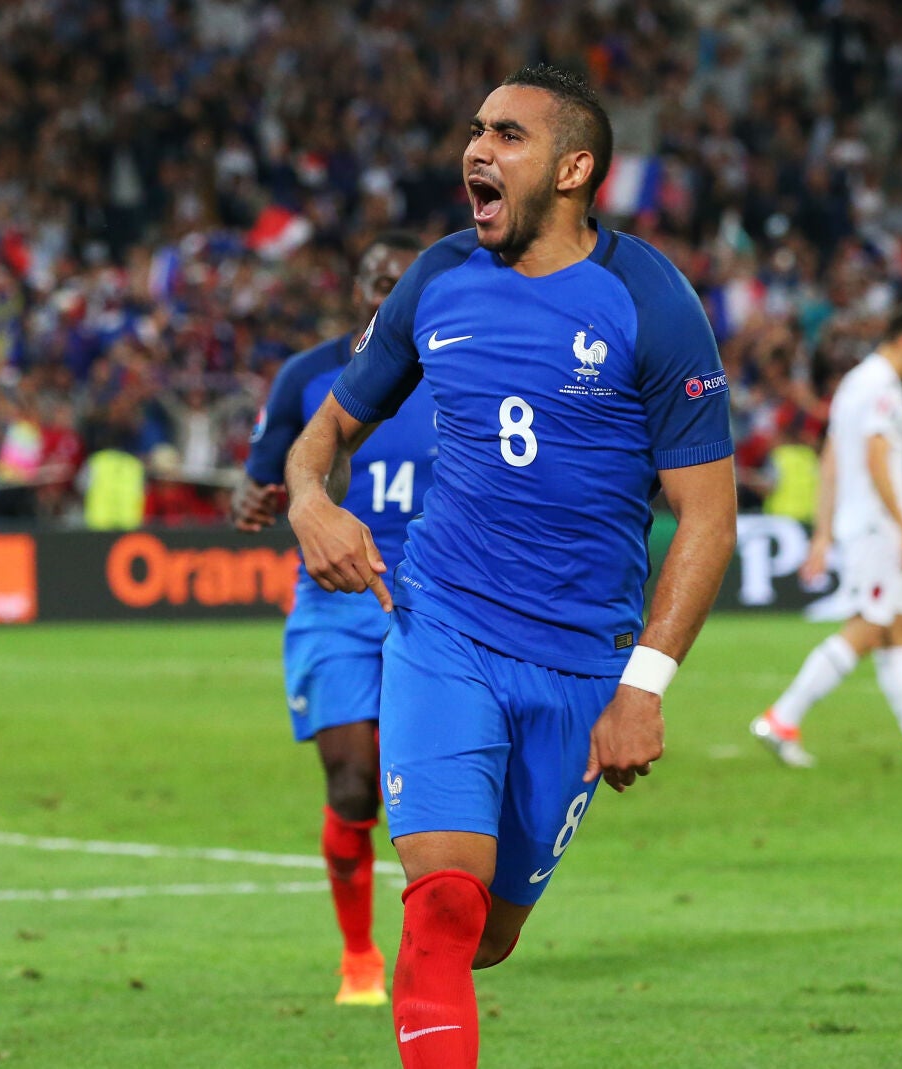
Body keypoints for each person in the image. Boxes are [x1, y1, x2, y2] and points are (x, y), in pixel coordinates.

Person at [283, 65, 738, 1069]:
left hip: (579, 663)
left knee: (488, 934)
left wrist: (644, 685)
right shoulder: (438, 276)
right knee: (442, 905)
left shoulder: (648, 300)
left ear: (575, 169)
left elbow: (708, 518)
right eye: (476, 130)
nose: (477, 151)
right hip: (442, 632)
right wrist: (311, 499)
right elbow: (322, 433)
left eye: (510, 136)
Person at [232, 232, 429, 1008]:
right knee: (353, 783)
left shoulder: (462, 372)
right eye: (376, 277)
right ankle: (359, 957)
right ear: (356, 288)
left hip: (434, 599)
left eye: (402, 280)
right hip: (335, 598)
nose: (387, 291)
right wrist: (255, 501)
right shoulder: (308, 379)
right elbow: (259, 482)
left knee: (425, 787)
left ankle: (435, 950)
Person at [750, 311, 902, 769]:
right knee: (869, 626)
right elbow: (877, 456)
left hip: (863, 521)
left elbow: (833, 459)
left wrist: (822, 532)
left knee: (897, 628)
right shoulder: (881, 387)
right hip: (878, 524)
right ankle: (782, 718)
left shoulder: (854, 386)